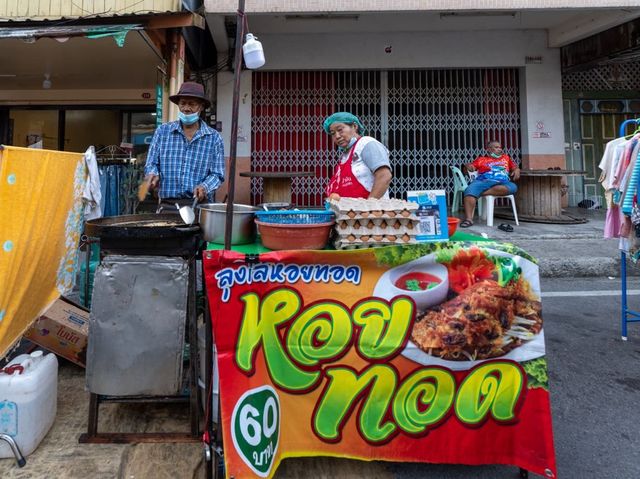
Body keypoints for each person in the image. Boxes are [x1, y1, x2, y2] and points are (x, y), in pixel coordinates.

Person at [144, 81, 225, 212]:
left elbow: (217, 174)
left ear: (201, 107)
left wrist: (205, 186)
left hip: (198, 207)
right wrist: (152, 174)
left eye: (192, 104)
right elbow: (151, 163)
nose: (186, 108)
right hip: (168, 206)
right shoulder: (162, 132)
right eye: (183, 103)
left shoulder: (214, 138)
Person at [322, 112, 392, 199]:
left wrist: (369, 206)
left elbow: (384, 175)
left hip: (371, 211)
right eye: (333, 133)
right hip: (350, 211)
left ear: (354, 127)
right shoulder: (346, 155)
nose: (337, 136)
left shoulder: (366, 144)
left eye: (340, 130)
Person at [460, 140, 520, 228]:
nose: (499, 149)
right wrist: (467, 167)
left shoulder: (506, 158)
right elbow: (468, 169)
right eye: (496, 147)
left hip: (502, 182)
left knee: (513, 187)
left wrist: (517, 170)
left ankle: (479, 193)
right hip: (483, 181)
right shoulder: (481, 160)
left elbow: (514, 167)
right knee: (469, 191)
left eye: (500, 147)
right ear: (489, 149)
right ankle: (469, 219)